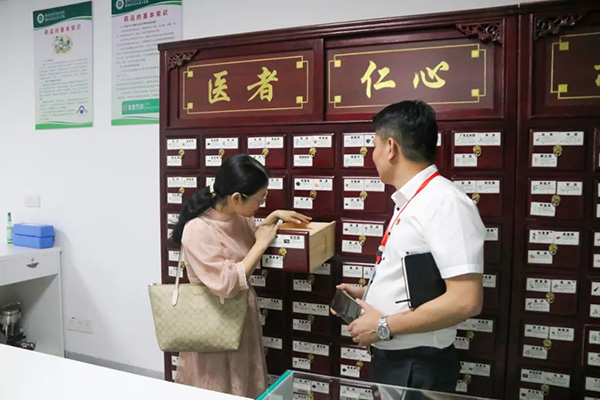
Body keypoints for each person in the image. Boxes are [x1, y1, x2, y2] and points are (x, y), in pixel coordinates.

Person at [337, 100, 485, 392]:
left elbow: (466, 300)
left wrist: (383, 325)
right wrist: (368, 293)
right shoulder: (414, 200)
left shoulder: (444, 202)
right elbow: (422, 280)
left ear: (391, 147)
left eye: (374, 146)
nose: (372, 155)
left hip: (417, 365)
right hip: (396, 360)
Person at [170, 154, 311, 397]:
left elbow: (246, 247)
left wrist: (273, 218)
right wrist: (261, 245)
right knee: (218, 388)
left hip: (241, 318)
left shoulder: (239, 217)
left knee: (244, 385)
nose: (261, 204)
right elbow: (226, 284)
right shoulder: (198, 229)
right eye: (260, 198)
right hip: (214, 323)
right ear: (236, 198)